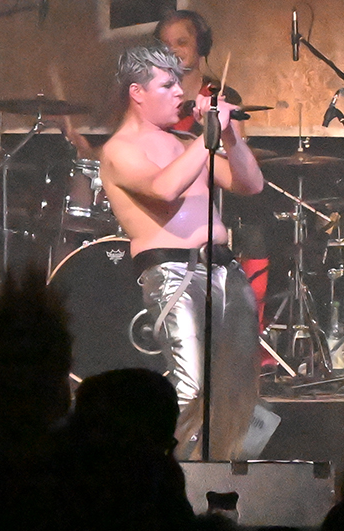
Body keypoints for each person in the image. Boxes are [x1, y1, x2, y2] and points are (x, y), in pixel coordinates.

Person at [99, 40, 266, 459]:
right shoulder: (120, 148)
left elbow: (250, 184)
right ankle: (153, 469)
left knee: (237, 390)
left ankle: (222, 475)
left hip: (226, 270)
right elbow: (164, 188)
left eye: (179, 84)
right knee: (190, 387)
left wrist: (229, 135)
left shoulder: (185, 142)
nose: (180, 93)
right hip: (175, 273)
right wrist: (205, 137)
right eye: (167, 85)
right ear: (137, 93)